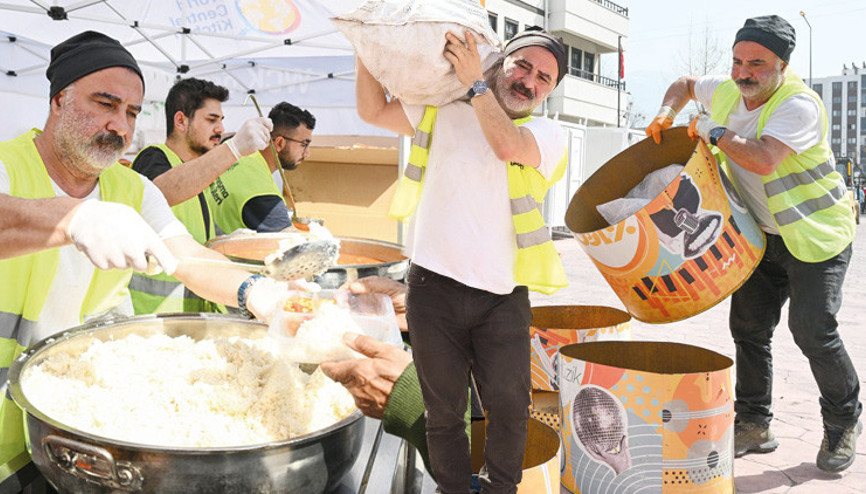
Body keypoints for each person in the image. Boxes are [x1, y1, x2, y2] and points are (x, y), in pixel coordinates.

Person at [0, 31, 296, 492]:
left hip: (90, 417)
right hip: (7, 435)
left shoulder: (132, 189)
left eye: (132, 112)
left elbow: (189, 258)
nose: (120, 125)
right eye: (105, 103)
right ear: (58, 100)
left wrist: (257, 291)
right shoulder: (8, 164)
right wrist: (72, 218)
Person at [355, 26, 569, 493]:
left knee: (509, 410)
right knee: (444, 413)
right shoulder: (441, 110)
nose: (530, 81)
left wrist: (475, 85)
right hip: (434, 290)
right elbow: (371, 110)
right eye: (524, 66)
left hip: (502, 298)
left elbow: (507, 147)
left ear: (549, 92)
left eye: (544, 79)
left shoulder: (546, 134)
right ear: (502, 61)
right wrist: (363, 40)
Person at [645, 15, 861, 472]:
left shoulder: (798, 104)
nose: (743, 72)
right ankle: (754, 424)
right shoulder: (725, 88)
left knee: (813, 330)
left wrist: (712, 131)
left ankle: (844, 421)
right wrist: (666, 112)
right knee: (748, 329)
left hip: (816, 236)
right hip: (760, 237)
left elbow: (763, 159)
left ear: (782, 65)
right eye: (738, 61)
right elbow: (684, 83)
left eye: (757, 64)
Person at [130, 77, 272, 313]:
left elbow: (192, 231)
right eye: (211, 120)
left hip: (193, 311)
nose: (220, 130)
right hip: (155, 315)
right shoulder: (152, 157)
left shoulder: (199, 171)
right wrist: (234, 148)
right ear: (181, 121)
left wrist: (227, 241)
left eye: (221, 121)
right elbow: (160, 193)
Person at [207, 102, 315, 234]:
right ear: (279, 143)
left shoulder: (232, 145)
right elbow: (295, 246)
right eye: (304, 145)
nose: (307, 153)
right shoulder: (263, 196)